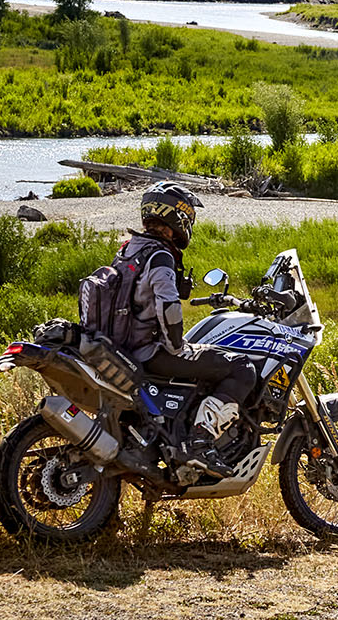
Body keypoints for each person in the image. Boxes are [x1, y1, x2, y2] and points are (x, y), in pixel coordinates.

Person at [119, 180, 255, 478]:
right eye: (188, 216)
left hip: (123, 348)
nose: (189, 221)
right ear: (177, 217)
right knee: (242, 367)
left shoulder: (130, 249)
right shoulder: (160, 256)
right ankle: (200, 442)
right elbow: (168, 308)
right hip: (150, 351)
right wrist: (179, 347)